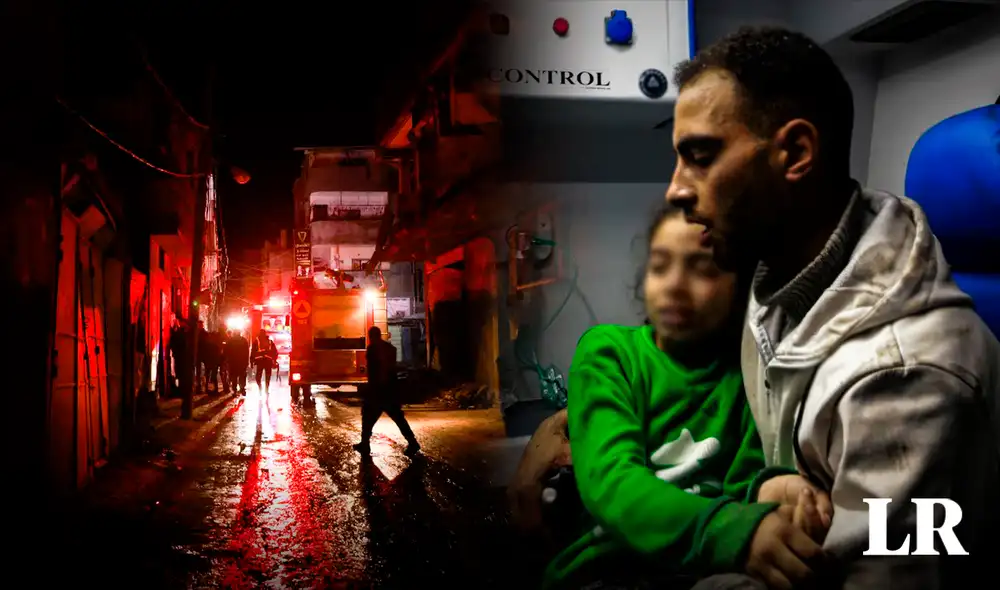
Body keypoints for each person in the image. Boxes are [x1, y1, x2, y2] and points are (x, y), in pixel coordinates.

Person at [517, 25, 1000, 590]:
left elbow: (846, 576)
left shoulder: (905, 378)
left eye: (700, 156)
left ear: (795, 152)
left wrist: (738, 522)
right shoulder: (775, 278)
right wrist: (562, 425)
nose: (675, 189)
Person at [542, 206, 827, 590]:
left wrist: (777, 490)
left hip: (704, 574)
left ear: (740, 288)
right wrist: (733, 533)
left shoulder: (747, 375)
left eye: (702, 268)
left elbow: (744, 485)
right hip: (605, 569)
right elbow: (612, 483)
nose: (675, 284)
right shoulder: (609, 353)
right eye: (660, 266)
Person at [353, 326, 420, 456]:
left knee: (368, 418)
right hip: (390, 389)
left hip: (378, 390)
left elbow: (378, 370)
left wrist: (374, 388)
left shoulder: (373, 349)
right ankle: (412, 442)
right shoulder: (390, 348)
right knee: (398, 418)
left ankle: (365, 444)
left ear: (371, 336)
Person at [224, 329, 250, 394]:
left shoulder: (230, 340)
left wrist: (227, 360)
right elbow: (247, 352)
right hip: (241, 362)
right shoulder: (244, 340)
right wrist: (246, 362)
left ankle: (234, 389)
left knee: (234, 376)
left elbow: (226, 351)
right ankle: (242, 388)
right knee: (242, 375)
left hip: (233, 362)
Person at [251, 329, 276, 394]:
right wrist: (274, 360)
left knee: (258, 377)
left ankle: (263, 389)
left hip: (261, 362)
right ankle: (264, 389)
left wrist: (251, 361)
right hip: (266, 362)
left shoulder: (257, 341)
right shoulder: (268, 341)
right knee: (266, 377)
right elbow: (275, 352)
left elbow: (252, 352)